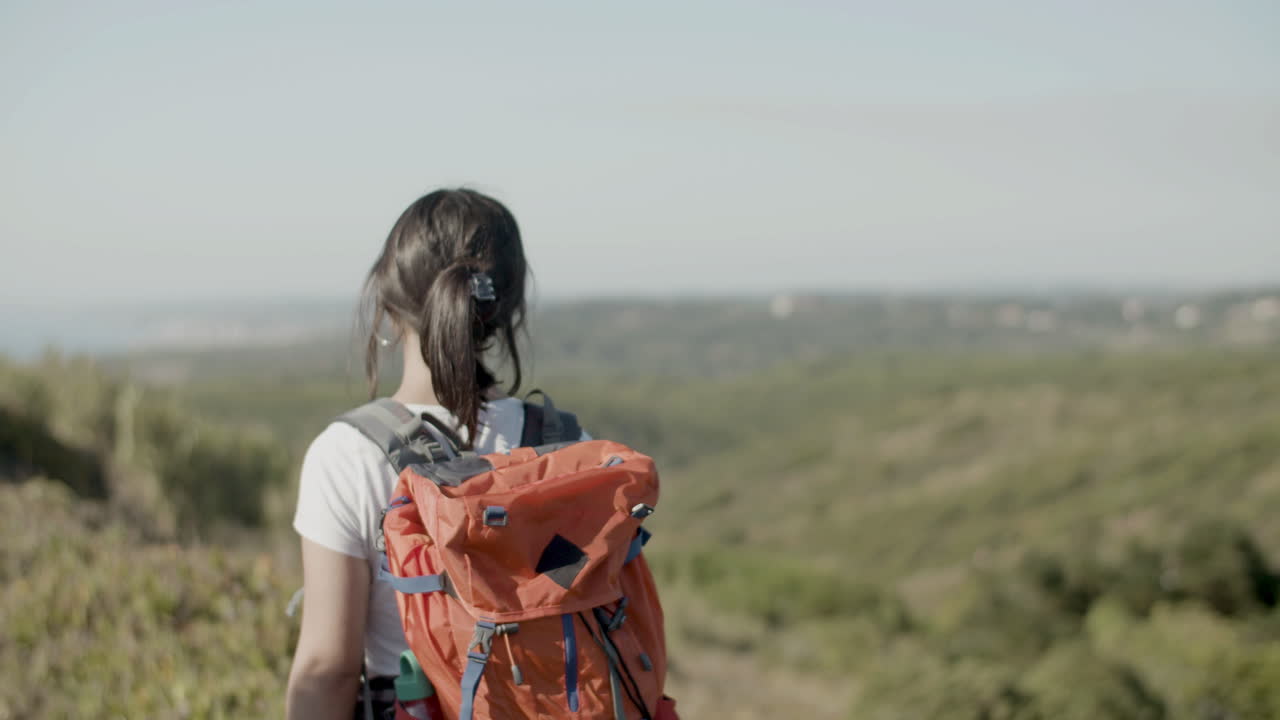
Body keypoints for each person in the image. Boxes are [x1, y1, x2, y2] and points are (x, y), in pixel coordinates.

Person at [285, 188, 581, 719]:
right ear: (506, 310)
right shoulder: (568, 448)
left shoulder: (348, 456)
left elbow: (328, 670)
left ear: (387, 302)